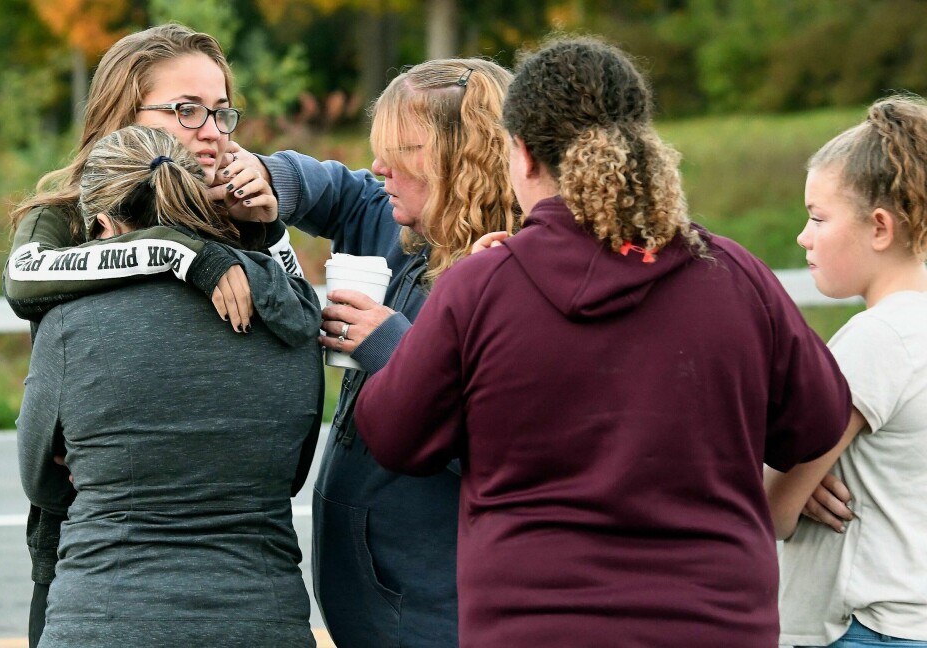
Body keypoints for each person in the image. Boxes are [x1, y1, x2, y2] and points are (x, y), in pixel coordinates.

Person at [352, 36, 852, 647]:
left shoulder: (482, 287)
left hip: (534, 627)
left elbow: (393, 433)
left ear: (524, 154)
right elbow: (819, 419)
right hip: (715, 624)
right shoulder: (733, 275)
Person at [3, 23, 321, 647]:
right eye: (186, 110)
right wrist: (185, 254)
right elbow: (24, 275)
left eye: (222, 111)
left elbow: (300, 319)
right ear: (122, 116)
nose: (211, 129)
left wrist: (273, 230)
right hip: (79, 536)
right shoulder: (70, 212)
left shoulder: (237, 212)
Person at [231, 57, 517, 647]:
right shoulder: (397, 221)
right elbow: (340, 189)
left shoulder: (510, 274)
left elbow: (504, 447)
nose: (381, 166)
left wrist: (392, 346)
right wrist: (270, 176)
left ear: (462, 159)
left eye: (402, 151)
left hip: (443, 617)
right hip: (376, 608)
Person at [764, 96, 927, 647]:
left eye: (817, 217)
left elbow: (772, 510)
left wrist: (790, 481)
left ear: (879, 227)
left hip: (862, 628)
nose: (803, 237)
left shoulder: (877, 339)